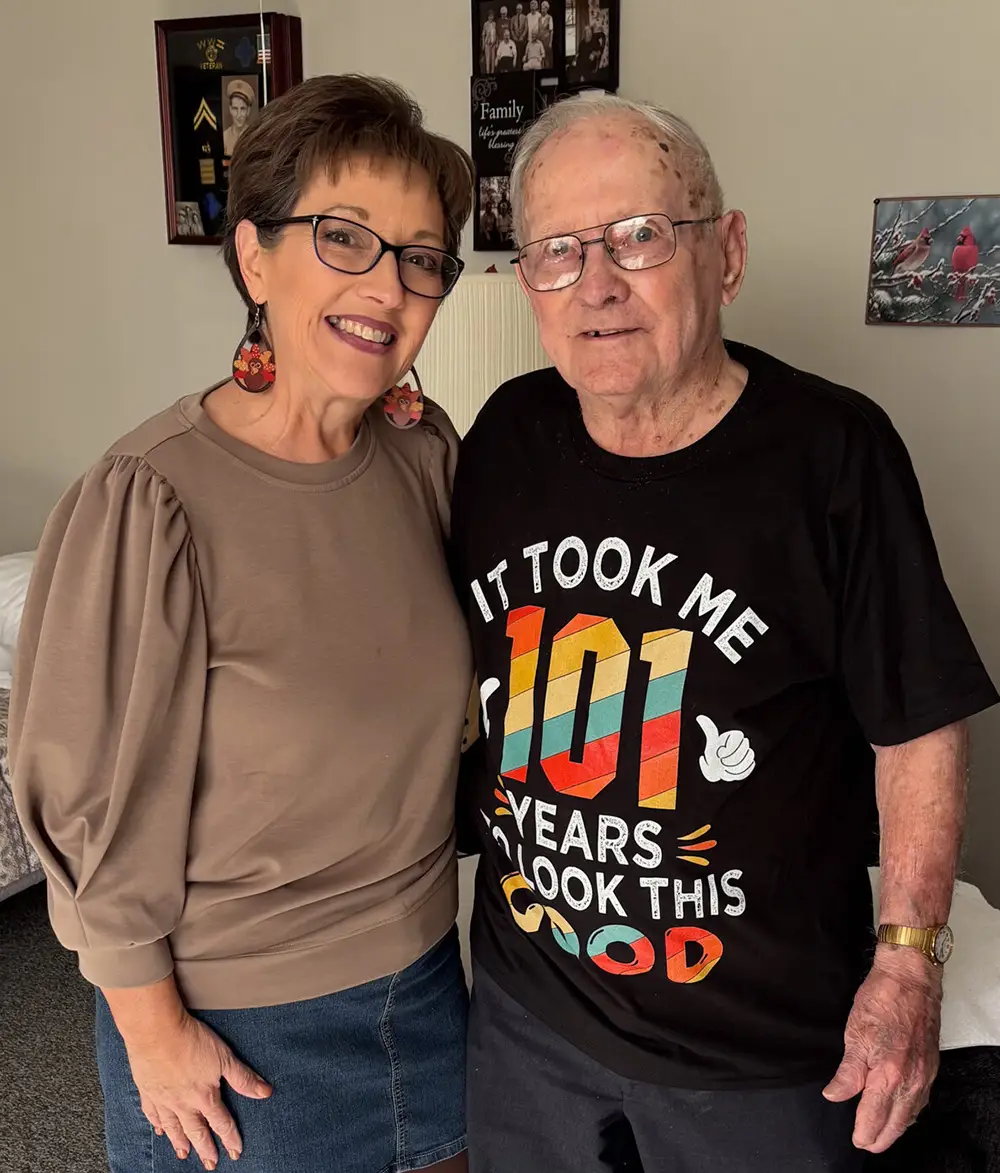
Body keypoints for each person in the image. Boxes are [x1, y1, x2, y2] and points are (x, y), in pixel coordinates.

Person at [450, 93, 999, 1172]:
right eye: (557, 251)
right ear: (529, 284)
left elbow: (918, 728)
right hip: (529, 1016)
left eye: (640, 236)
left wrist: (906, 964)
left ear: (726, 251)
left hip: (759, 1050)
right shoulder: (503, 434)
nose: (596, 284)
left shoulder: (833, 453)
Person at [11, 74, 475, 1173]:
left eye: (420, 257)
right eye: (346, 238)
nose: (390, 285)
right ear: (255, 257)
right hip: (239, 1034)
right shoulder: (150, 495)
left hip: (427, 989)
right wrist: (150, 1031)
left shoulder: (424, 459)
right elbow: (82, 798)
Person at [223, 78, 255, 157]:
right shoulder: (225, 137)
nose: (238, 115)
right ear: (230, 109)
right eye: (235, 109)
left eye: (243, 109)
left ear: (248, 111)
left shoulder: (254, 136)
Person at [481, 9, 498, 74]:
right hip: (487, 44)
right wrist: (483, 44)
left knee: (493, 59)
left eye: (492, 16)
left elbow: (496, 34)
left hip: (493, 44)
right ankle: (488, 73)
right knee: (488, 60)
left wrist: (496, 43)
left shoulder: (494, 24)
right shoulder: (485, 24)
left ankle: (492, 72)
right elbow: (483, 35)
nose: (491, 17)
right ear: (488, 17)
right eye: (489, 16)